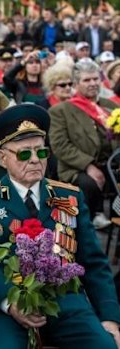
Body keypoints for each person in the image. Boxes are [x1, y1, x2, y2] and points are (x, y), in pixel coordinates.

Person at [0, 104, 120, 349]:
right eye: (24, 154)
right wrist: (10, 303)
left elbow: (94, 262)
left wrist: (110, 319)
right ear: (3, 158)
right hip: (7, 303)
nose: (35, 160)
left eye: (41, 152)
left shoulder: (70, 197)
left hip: (64, 300)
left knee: (104, 346)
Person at [49, 60, 119, 229]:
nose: (93, 83)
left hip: (112, 163)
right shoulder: (61, 111)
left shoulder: (111, 106)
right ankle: (92, 218)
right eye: (87, 80)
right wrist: (88, 165)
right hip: (78, 167)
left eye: (95, 79)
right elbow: (60, 145)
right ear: (76, 84)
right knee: (88, 183)